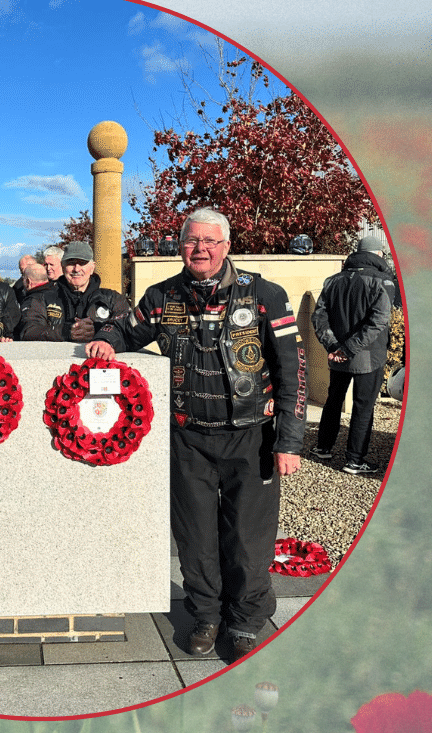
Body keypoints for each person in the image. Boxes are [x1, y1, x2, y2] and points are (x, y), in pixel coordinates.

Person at [88, 208, 305, 661]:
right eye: (191, 241)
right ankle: (206, 615)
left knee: (249, 539)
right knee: (195, 537)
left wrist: (289, 440)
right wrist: (108, 337)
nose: (200, 249)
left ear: (227, 245)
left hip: (252, 437)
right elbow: (127, 331)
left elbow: (292, 372)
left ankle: (244, 621)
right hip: (188, 439)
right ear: (180, 245)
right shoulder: (161, 295)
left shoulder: (265, 295)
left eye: (209, 241)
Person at [310, 230, 394, 475]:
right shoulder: (383, 281)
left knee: (333, 401)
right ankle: (355, 460)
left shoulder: (332, 280)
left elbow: (319, 317)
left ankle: (323, 447)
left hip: (337, 356)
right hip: (367, 357)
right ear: (378, 254)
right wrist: (348, 349)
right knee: (363, 406)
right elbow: (379, 322)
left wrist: (334, 347)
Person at [19, 240, 132, 343]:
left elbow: (129, 329)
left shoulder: (112, 299)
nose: (77, 269)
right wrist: (67, 331)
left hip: (96, 363)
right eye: (71, 262)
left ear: (92, 267)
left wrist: (97, 330)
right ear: (63, 266)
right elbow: (28, 330)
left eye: (82, 263)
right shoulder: (42, 297)